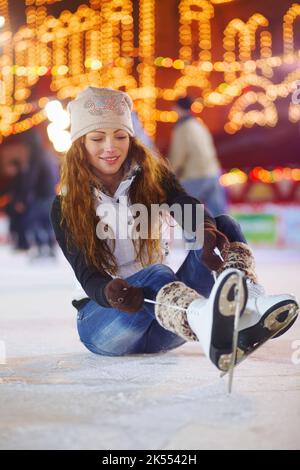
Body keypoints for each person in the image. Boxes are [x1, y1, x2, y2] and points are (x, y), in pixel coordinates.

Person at [50, 87, 298, 374]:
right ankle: (206, 323)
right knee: (157, 273)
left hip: (168, 320)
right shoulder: (65, 205)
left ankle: (249, 306)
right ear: (80, 143)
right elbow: (86, 273)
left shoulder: (151, 177)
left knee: (224, 225)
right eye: (97, 138)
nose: (111, 147)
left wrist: (204, 230)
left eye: (120, 136)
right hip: (108, 323)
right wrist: (108, 292)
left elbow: (183, 203)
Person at [1, 130, 59, 256]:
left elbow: (31, 179)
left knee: (35, 221)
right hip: (50, 195)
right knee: (48, 222)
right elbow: (57, 174)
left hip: (40, 196)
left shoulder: (35, 156)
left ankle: (41, 248)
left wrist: (23, 198)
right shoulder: (48, 155)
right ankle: (50, 248)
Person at [169, 96, 227, 217]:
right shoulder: (199, 124)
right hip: (212, 173)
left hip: (193, 176)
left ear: (178, 108)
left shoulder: (182, 128)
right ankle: (227, 235)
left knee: (186, 214)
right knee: (219, 215)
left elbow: (178, 156)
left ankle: (193, 236)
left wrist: (169, 175)